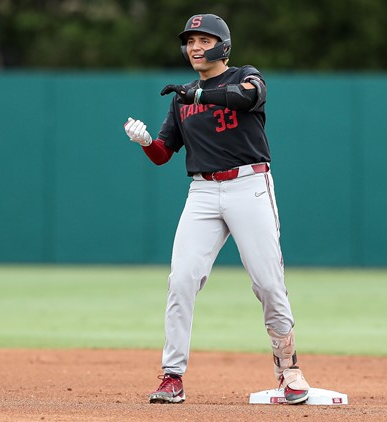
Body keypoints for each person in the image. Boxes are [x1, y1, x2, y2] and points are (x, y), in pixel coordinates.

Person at [123, 13, 311, 405]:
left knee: (267, 282)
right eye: (190, 41)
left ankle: (288, 370)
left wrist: (198, 95)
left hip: (249, 185)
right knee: (182, 280)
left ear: (222, 45)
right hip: (203, 191)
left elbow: (246, 97)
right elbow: (163, 155)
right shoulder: (183, 98)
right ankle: (172, 376)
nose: (195, 47)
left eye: (204, 40)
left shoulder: (245, 75)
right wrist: (144, 142)